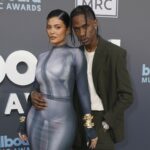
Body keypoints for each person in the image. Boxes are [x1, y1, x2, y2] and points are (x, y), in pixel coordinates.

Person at [28, 5, 133, 150]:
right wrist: (33, 94)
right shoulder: (73, 54)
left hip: (101, 121)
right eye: (77, 29)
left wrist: (106, 122)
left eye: (86, 27)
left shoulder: (115, 54)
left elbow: (126, 95)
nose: (82, 33)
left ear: (95, 23)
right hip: (75, 122)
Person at [18, 9, 98, 150]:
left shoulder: (75, 55)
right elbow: (34, 89)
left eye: (57, 27)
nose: (52, 31)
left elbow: (84, 94)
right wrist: (23, 122)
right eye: (49, 27)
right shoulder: (41, 57)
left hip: (62, 122)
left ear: (67, 30)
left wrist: (89, 127)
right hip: (35, 118)